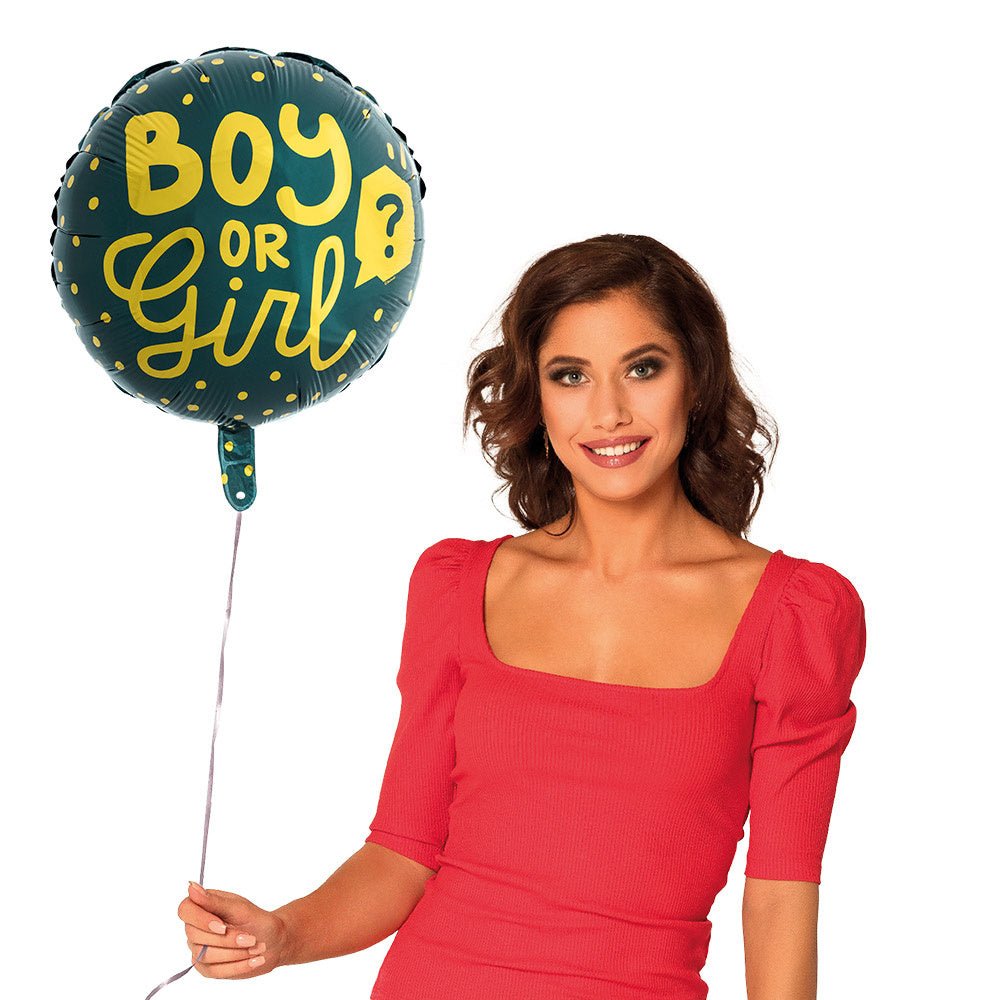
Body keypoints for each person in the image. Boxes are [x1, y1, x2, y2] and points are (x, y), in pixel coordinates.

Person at [177, 234, 867, 1000]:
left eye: (643, 368)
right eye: (570, 376)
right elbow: (401, 854)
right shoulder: (457, 587)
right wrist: (282, 934)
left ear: (697, 379)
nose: (608, 412)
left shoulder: (795, 616)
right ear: (537, 398)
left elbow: (779, 897)